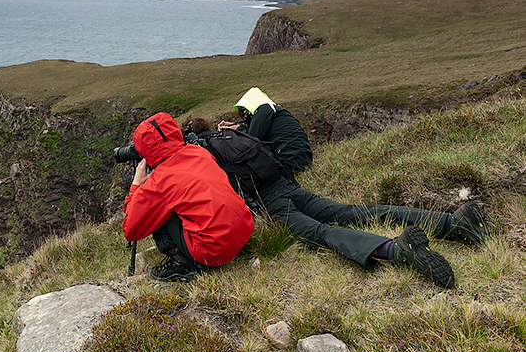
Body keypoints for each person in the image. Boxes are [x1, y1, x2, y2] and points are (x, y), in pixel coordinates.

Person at [185, 117, 487, 289]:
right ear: (210, 125)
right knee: (353, 212)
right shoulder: (232, 134)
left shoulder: (204, 152)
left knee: (321, 233)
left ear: (191, 135)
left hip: (271, 203)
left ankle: (396, 249)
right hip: (290, 187)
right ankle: (450, 222)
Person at [122, 112, 255, 282]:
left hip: (213, 251)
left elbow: (130, 230)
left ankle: (181, 262)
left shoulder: (160, 180)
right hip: (243, 231)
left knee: (156, 208)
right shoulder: (199, 152)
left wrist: (137, 185)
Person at [220, 87, 313, 179]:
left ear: (248, 109)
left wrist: (239, 129)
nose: (245, 120)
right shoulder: (274, 112)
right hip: (300, 161)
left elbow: (253, 141)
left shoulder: (263, 110)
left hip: (290, 164)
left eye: (244, 115)